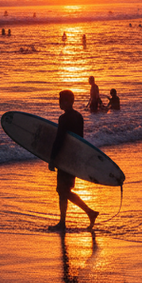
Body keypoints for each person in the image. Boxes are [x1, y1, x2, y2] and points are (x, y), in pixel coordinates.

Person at [48, 90, 99, 231]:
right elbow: (80, 139)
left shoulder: (63, 118)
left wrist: (52, 158)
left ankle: (87, 213)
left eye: (61, 100)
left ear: (68, 102)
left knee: (62, 190)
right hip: (74, 158)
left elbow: (59, 140)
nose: (59, 102)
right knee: (64, 190)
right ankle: (68, 220)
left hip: (65, 159)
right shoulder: (79, 117)